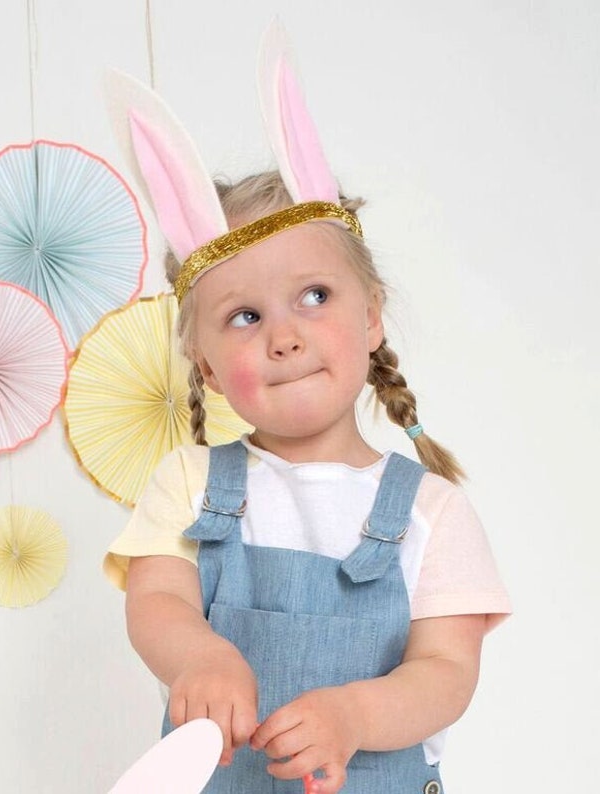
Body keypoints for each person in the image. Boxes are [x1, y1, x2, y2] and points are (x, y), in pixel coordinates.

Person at [103, 21, 510, 794]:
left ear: (372, 315)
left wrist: (354, 715)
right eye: (244, 316)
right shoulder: (188, 484)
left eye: (314, 296)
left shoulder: (433, 513)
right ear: (207, 366)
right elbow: (156, 600)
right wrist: (199, 656)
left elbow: (447, 672)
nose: (284, 336)